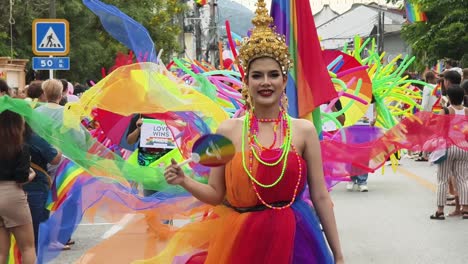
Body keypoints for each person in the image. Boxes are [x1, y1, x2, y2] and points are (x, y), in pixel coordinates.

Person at [162, 1, 344, 262]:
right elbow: (215, 194)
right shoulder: (228, 130)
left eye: (273, 74)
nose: (266, 82)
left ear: (284, 80)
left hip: (296, 241)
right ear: (246, 81)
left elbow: (320, 196)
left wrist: (338, 255)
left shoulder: (303, 131)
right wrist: (184, 181)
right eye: (257, 76)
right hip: (240, 243)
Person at [0, 110, 37, 264]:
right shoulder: (21, 147)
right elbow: (21, 179)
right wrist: (32, 175)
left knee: (1, 252)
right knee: (27, 247)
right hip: (12, 195)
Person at [430, 85, 468, 220]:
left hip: (448, 147)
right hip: (464, 148)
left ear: (449, 98)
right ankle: (465, 209)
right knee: (463, 179)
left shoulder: (445, 111)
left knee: (442, 180)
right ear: (463, 97)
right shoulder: (467, 111)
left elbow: (438, 130)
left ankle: (440, 211)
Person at [23, 124, 62, 250]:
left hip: (8, 189)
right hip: (35, 186)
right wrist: (57, 146)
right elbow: (54, 158)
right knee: (34, 237)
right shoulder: (33, 138)